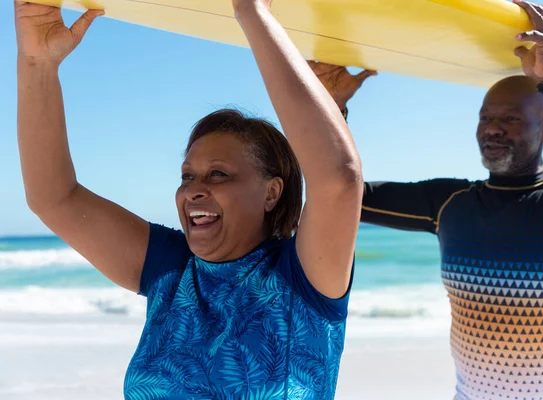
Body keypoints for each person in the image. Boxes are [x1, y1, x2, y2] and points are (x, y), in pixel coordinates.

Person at [14, 0, 363, 398]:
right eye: (187, 175)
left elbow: (338, 181)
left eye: (218, 174)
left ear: (271, 192)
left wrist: (250, 11)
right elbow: (53, 197)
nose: (194, 189)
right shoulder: (172, 270)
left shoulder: (302, 280)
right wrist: (37, 64)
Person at [312, 0, 543, 399]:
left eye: (511, 118)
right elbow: (339, 194)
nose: (492, 130)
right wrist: (329, 107)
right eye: (485, 118)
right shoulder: (451, 202)